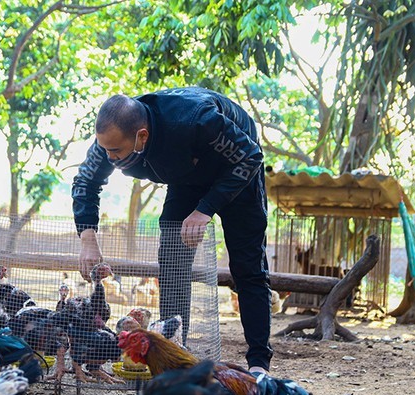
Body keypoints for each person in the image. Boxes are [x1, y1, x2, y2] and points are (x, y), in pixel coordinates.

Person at [71, 87, 272, 375]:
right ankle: (175, 357)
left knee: (247, 266)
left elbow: (250, 157)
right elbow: (85, 182)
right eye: (105, 149)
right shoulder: (111, 139)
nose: (109, 157)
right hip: (185, 176)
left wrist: (205, 209)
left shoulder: (196, 120)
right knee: (173, 262)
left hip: (235, 171)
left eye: (115, 151)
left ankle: (258, 365)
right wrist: (88, 238)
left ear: (142, 136)